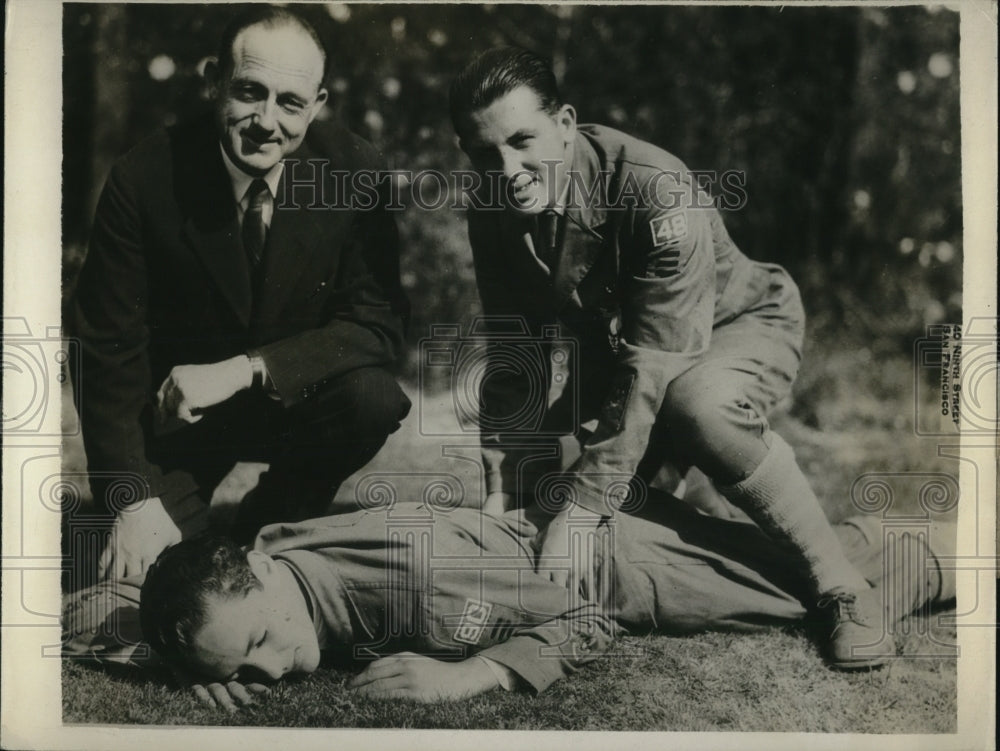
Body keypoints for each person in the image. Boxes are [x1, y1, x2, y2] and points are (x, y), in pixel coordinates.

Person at [447, 47, 889, 669]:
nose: (509, 169)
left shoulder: (657, 189)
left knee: (695, 411)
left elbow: (654, 365)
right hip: (625, 354)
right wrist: (506, 485)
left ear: (566, 123)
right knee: (556, 490)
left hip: (732, 326)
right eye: (485, 154)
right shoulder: (492, 207)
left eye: (523, 140)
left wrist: (586, 505)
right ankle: (716, 514)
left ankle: (841, 582)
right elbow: (515, 350)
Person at [70, 6, 411, 581]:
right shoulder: (145, 177)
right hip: (179, 421)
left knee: (371, 398)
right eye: (250, 92)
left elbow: (377, 324)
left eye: (290, 102)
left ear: (318, 104)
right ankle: (184, 526)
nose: (266, 121)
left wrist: (248, 368)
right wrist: (132, 498)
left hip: (286, 406)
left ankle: (274, 521)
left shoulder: (353, 171)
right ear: (213, 82)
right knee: (173, 579)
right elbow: (105, 346)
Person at [128, 494, 955, 706]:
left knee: (825, 590)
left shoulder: (410, 589)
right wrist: (198, 664)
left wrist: (474, 675)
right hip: (563, 527)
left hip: (619, 563)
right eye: (249, 662)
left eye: (267, 638)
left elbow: (582, 616)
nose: (276, 667)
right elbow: (142, 610)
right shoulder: (268, 551)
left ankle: (943, 547)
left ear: (265, 574)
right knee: (790, 554)